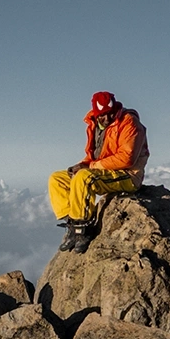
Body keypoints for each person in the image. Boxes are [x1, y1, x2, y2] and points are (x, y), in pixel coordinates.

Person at [48, 91, 148, 253]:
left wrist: (90, 167)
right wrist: (82, 164)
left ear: (116, 109)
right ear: (96, 113)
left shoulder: (129, 123)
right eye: (102, 115)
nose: (107, 118)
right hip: (105, 171)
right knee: (57, 179)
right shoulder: (94, 125)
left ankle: (83, 230)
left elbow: (127, 158)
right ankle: (73, 224)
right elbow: (95, 155)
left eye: (110, 114)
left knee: (84, 178)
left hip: (128, 175)